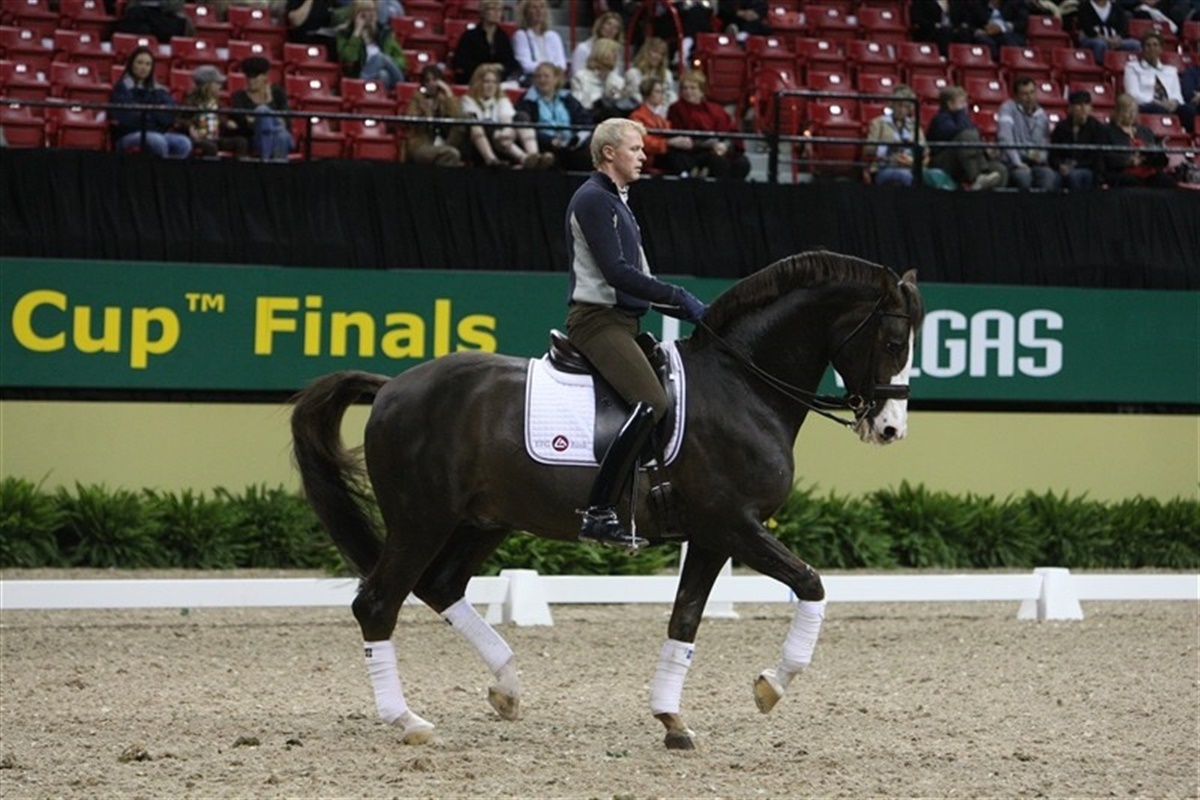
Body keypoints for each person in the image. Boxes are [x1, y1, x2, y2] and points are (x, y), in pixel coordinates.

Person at [565, 117, 707, 547]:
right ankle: (599, 511)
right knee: (652, 400)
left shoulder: (619, 203)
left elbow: (642, 281)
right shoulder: (594, 199)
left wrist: (700, 314)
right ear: (609, 153)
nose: (644, 156)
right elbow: (617, 273)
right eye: (635, 149)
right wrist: (680, 296)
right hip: (597, 321)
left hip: (625, 322)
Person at [460, 63, 549, 169]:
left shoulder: (502, 99)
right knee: (485, 124)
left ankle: (533, 156)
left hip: (504, 140)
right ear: (478, 83)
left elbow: (506, 118)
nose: (491, 86)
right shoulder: (467, 100)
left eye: (494, 82)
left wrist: (506, 131)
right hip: (479, 144)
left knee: (521, 116)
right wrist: (500, 134)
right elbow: (472, 121)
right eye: (486, 82)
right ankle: (496, 160)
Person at [109, 46, 193, 158]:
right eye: (140, 63)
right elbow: (129, 119)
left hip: (157, 132)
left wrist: (148, 114)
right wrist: (154, 115)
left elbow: (170, 115)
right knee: (157, 141)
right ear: (131, 64)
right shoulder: (122, 88)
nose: (144, 67)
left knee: (183, 143)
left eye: (148, 64)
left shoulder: (158, 89)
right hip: (128, 135)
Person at [667, 70, 751, 180]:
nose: (688, 92)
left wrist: (725, 145)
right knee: (719, 162)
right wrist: (711, 145)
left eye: (692, 88)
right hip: (694, 151)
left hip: (718, 148)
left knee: (742, 163)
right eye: (685, 88)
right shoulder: (676, 109)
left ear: (702, 91)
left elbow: (731, 132)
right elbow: (680, 137)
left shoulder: (716, 110)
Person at [515, 62, 595, 171]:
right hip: (545, 145)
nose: (542, 80)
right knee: (549, 158)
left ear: (556, 79)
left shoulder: (567, 98)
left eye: (546, 76)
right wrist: (550, 141)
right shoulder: (527, 100)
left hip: (571, 145)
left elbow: (585, 121)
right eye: (538, 77)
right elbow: (526, 128)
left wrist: (578, 138)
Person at [927, 85, 1008, 189]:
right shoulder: (940, 119)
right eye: (961, 102)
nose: (965, 106)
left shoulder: (963, 118)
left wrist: (985, 150)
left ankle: (984, 182)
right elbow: (958, 132)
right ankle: (975, 178)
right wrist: (961, 114)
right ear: (950, 104)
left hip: (966, 161)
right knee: (967, 135)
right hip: (944, 161)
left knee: (999, 169)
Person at [865, 85, 939, 187]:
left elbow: (925, 151)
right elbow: (868, 149)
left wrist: (913, 155)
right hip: (886, 166)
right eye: (899, 105)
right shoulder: (878, 123)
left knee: (937, 174)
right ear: (892, 105)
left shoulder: (914, 125)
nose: (902, 110)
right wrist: (889, 146)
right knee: (904, 176)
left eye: (906, 107)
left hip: (911, 165)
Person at [995, 76, 1061, 190]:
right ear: (1016, 96)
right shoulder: (1007, 109)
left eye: (1032, 92)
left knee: (1049, 176)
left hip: (1034, 163)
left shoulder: (1041, 114)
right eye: (1024, 94)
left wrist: (1041, 158)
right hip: (1013, 162)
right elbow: (1005, 138)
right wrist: (1017, 162)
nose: (1029, 97)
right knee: (1024, 177)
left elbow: (1045, 141)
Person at [1124, 31, 1195, 133]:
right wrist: (1157, 102)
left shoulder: (1171, 70)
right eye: (1148, 45)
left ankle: (1188, 137)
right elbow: (1132, 94)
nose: (1152, 48)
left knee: (1188, 110)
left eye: (1155, 45)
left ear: (1161, 49)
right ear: (1143, 49)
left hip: (1168, 105)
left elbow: (1177, 95)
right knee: (1158, 109)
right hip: (1146, 104)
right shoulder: (1132, 67)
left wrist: (1174, 102)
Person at [1102, 92, 1176, 186]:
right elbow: (1106, 157)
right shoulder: (1107, 131)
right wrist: (1129, 161)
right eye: (1128, 111)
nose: (1132, 115)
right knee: (1132, 181)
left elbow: (1154, 153)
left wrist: (1161, 151)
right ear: (1119, 112)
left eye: (1134, 111)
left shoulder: (1145, 131)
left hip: (1148, 171)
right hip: (1123, 172)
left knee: (1167, 181)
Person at [230, 56, 293, 162]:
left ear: (265, 76)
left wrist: (256, 119)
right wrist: (266, 120)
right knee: (280, 134)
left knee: (264, 112)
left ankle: (266, 162)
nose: (251, 81)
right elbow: (243, 124)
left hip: (282, 136)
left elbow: (287, 120)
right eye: (248, 77)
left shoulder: (278, 92)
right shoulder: (239, 96)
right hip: (255, 139)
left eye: (255, 77)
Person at [629, 76, 695, 176]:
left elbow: (669, 133)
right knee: (674, 154)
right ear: (647, 94)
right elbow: (643, 141)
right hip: (651, 156)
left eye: (661, 92)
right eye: (657, 92)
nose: (661, 95)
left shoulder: (660, 117)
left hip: (663, 152)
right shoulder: (637, 116)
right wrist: (667, 143)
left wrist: (679, 140)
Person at [404, 64, 468, 167]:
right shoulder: (417, 98)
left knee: (464, 120)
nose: (431, 84)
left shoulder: (443, 99)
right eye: (427, 81)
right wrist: (426, 112)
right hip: (422, 144)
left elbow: (458, 116)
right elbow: (410, 120)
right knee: (451, 154)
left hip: (444, 141)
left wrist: (448, 93)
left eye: (434, 80)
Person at [335, 0, 407, 90]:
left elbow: (402, 61)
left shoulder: (384, 33)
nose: (370, 15)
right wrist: (357, 32)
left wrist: (386, 62)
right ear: (356, 15)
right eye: (365, 12)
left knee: (380, 58)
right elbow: (349, 58)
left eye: (373, 11)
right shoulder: (345, 33)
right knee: (383, 75)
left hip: (394, 76)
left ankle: (361, 83)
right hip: (362, 75)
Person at [180, 65, 249, 159]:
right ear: (207, 85)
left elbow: (221, 116)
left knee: (241, 142)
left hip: (215, 137)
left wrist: (226, 122)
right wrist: (190, 127)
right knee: (210, 147)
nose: (220, 86)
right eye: (217, 83)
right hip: (199, 139)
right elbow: (180, 120)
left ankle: (239, 167)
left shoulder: (217, 102)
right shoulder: (191, 101)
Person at [451, 0, 521, 87]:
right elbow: (460, 62)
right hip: (473, 81)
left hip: (498, 81)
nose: (497, 13)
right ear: (483, 12)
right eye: (492, 9)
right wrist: (485, 68)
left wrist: (500, 67)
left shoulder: (502, 37)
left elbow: (510, 62)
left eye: (499, 9)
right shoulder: (470, 35)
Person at [1049, 89, 1107, 190]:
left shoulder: (1097, 128)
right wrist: (1059, 165)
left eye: (1086, 104)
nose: (1083, 108)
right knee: (1051, 178)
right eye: (1079, 105)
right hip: (1063, 167)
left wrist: (1075, 166)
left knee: (1074, 176)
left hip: (1086, 168)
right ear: (1071, 108)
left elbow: (1098, 158)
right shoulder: (1061, 127)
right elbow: (1053, 153)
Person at [571, 39, 631, 122]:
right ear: (601, 52)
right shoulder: (581, 77)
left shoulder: (618, 81)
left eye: (616, 54)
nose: (616, 56)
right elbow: (579, 104)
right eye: (612, 52)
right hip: (588, 119)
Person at [513, 0, 567, 86]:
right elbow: (526, 65)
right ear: (526, 12)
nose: (539, 11)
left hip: (554, 80)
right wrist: (548, 71)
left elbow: (561, 65)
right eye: (534, 7)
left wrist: (549, 73)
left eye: (542, 7)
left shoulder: (554, 36)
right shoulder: (521, 35)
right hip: (534, 80)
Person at [1075, 0, 1141, 65]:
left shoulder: (1116, 7)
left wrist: (1118, 38)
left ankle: (1129, 67)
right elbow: (1088, 29)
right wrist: (1106, 40)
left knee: (1135, 44)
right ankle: (1101, 67)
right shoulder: (1085, 6)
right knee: (1100, 44)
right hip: (1092, 39)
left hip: (1114, 40)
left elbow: (1123, 27)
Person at [957, 0, 1028, 59]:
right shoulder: (976, 3)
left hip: (1009, 36)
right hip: (985, 36)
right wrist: (976, 31)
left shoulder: (1017, 3)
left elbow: (1021, 23)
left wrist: (1001, 28)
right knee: (983, 41)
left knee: (1007, 40)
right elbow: (968, 23)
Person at [622, 36, 678, 108]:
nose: (657, 56)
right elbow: (634, 97)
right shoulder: (633, 73)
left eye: (661, 54)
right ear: (646, 52)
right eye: (655, 52)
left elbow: (669, 96)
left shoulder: (667, 74)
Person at [571, 10, 625, 78]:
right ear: (600, 25)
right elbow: (576, 75)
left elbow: (615, 75)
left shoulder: (615, 53)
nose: (611, 29)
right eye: (608, 24)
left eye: (616, 27)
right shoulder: (583, 48)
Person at [115, 0, 195, 42]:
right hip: (141, 18)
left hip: (165, 16)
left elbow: (175, 5)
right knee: (140, 23)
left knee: (138, 14)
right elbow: (131, 7)